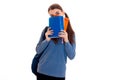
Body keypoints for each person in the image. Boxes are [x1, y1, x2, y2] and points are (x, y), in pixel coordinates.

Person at [36, 3, 76, 80]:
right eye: (52, 16)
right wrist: (47, 39)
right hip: (42, 72)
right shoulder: (46, 31)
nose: (55, 17)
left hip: (59, 75)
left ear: (63, 13)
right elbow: (38, 50)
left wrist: (66, 40)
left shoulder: (71, 33)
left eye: (57, 13)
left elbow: (72, 56)